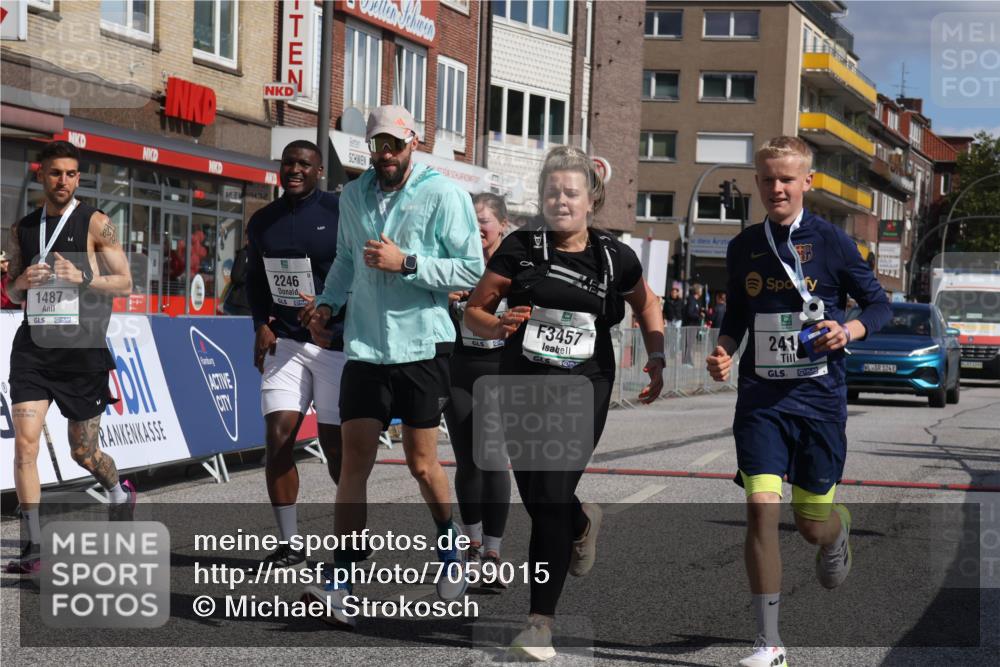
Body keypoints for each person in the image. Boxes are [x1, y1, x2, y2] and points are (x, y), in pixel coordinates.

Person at [464, 145, 665, 660]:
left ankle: (539, 625)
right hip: (522, 381)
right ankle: (581, 522)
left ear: (590, 200)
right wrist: (500, 323)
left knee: (550, 490)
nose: (560, 200)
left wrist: (658, 356)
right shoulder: (520, 247)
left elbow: (647, 306)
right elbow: (475, 312)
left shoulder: (614, 257)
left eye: (571, 192)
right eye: (552, 191)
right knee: (539, 497)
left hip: (584, 383)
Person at [705, 136, 890, 667]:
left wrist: (848, 328)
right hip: (762, 399)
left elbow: (877, 304)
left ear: (807, 181)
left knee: (811, 522)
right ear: (756, 181)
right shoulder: (743, 246)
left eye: (787, 178)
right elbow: (737, 315)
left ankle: (837, 533)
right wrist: (722, 350)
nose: (777, 188)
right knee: (761, 509)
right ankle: (769, 644)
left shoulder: (833, 242)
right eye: (767, 179)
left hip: (818, 399)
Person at [301, 105, 484, 625]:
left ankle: (451, 548)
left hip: (421, 348)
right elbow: (343, 260)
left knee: (421, 464)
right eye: (377, 146)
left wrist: (407, 262)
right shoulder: (353, 196)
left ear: (412, 144)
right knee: (352, 464)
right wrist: (328, 304)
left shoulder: (443, 193)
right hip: (363, 349)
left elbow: (471, 267)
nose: (385, 156)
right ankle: (345, 574)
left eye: (394, 146)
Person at [4, 140, 137, 574]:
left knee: (84, 452)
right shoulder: (22, 227)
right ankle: (34, 545)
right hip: (34, 350)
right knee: (26, 447)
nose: (63, 181)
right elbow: (11, 292)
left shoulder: (97, 223)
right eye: (56, 173)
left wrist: (82, 277)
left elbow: (125, 283)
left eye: (72, 174)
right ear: (41, 174)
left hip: (82, 352)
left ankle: (119, 490)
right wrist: (21, 281)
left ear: (79, 178)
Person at [245, 139, 346, 567]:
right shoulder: (263, 220)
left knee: (336, 450)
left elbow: (356, 274)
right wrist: (261, 324)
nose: (295, 169)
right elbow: (253, 280)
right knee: (278, 438)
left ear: (319, 170)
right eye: (288, 163)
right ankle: (289, 543)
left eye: (304, 164)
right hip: (285, 342)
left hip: (334, 346)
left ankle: (349, 540)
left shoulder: (338, 213)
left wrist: (334, 318)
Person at [443, 192, 512, 582]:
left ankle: (493, 552)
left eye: (483, 221)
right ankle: (471, 547)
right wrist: (443, 296)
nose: (477, 229)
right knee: (468, 460)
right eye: (471, 222)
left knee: (493, 457)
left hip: (501, 371)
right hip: (460, 370)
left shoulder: (515, 265)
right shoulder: (459, 263)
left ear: (501, 224)